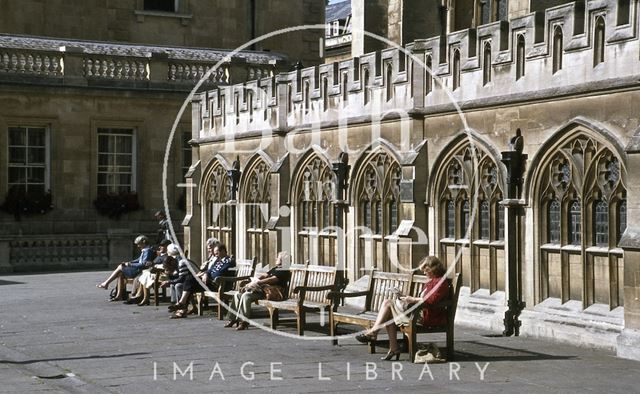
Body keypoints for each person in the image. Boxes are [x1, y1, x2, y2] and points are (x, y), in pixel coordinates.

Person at [354, 256, 450, 361]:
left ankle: (374, 332)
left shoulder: (440, 282)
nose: (424, 273)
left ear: (432, 268)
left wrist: (412, 299)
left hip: (428, 317)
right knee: (389, 314)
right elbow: (423, 299)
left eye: (425, 270)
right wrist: (406, 298)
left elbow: (431, 301)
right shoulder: (431, 282)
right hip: (419, 312)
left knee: (387, 303)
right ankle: (393, 348)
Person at [224, 251, 291, 331]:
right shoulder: (275, 268)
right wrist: (255, 280)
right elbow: (265, 275)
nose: (276, 258)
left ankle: (244, 321)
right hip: (263, 290)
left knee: (246, 296)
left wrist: (257, 282)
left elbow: (273, 279)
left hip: (270, 293)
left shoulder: (284, 270)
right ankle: (232, 319)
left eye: (278, 258)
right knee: (237, 295)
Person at [96, 235, 155, 301]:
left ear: (143, 243)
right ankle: (118, 295)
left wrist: (130, 265)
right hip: (138, 269)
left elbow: (143, 264)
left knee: (120, 267)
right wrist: (130, 262)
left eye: (139, 244)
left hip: (139, 271)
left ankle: (106, 283)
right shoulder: (145, 250)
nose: (138, 246)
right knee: (120, 273)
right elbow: (139, 260)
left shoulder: (147, 251)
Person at [125, 239, 172, 306]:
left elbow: (165, 267)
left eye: (162, 246)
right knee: (144, 275)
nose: (159, 247)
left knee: (144, 275)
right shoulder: (160, 255)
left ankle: (141, 297)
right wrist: (151, 264)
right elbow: (154, 263)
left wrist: (154, 265)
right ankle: (142, 297)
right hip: (154, 273)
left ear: (167, 247)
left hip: (161, 275)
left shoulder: (168, 256)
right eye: (160, 246)